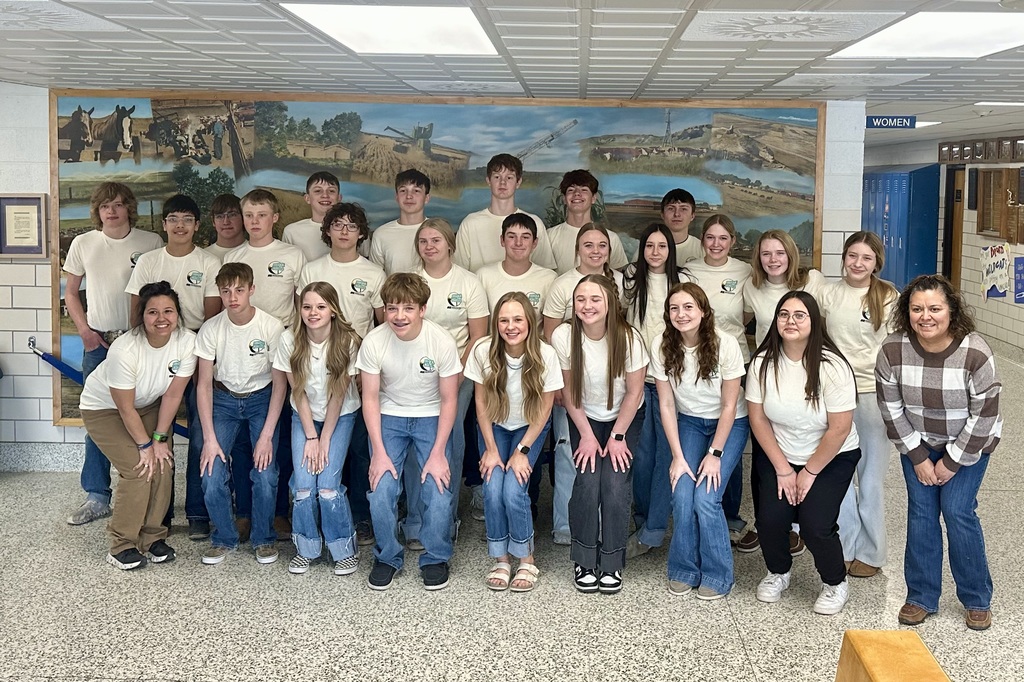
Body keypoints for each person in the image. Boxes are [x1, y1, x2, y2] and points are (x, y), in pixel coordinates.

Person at [876, 274, 1001, 631]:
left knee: (958, 510)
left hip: (970, 444)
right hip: (917, 442)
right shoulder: (892, 349)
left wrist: (951, 461)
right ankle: (920, 596)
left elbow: (985, 414)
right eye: (916, 309)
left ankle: (976, 598)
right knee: (921, 514)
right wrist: (917, 456)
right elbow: (890, 406)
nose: (925, 316)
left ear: (951, 311)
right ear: (907, 312)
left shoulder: (975, 351)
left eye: (934, 308)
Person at [747, 291, 860, 615]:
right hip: (779, 452)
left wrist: (808, 473)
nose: (790, 321)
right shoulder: (762, 363)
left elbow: (839, 428)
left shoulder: (832, 365)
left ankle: (835, 582)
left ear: (814, 322)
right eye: (784, 314)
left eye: (800, 315)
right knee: (770, 519)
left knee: (815, 523)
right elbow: (758, 418)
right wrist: (784, 469)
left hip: (832, 455)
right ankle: (778, 572)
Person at [64, 182, 164, 526]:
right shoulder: (83, 243)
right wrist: (85, 333)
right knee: (98, 420)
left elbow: (159, 295)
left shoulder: (150, 242)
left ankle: (144, 486)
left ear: (129, 208)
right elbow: (71, 294)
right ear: (98, 210)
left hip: (139, 343)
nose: (112, 211)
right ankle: (97, 495)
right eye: (106, 205)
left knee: (144, 417)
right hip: (100, 345)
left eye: (119, 205)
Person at [79, 281, 196, 570]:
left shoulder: (187, 342)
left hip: (151, 405)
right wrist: (144, 446)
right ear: (141, 316)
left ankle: (152, 537)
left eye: (168, 311)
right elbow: (124, 407)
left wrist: (158, 440)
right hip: (103, 409)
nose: (161, 319)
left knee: (163, 463)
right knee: (138, 468)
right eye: (152, 312)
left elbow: (171, 394)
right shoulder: (125, 349)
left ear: (177, 314)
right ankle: (122, 544)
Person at [356, 273, 462, 591]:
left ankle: (436, 557)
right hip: (389, 417)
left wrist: (440, 452)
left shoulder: (441, 340)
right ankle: (388, 556)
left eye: (408, 308)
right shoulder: (374, 341)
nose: (399, 316)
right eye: (392, 308)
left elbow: (449, 398)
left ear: (422, 309)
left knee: (438, 490)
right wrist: (378, 452)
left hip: (432, 416)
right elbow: (370, 397)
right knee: (381, 490)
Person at [125, 193, 221, 540]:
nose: (179, 226)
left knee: (199, 435)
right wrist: (150, 348)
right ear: (164, 225)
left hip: (194, 346)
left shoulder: (209, 262)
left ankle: (197, 513)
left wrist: (199, 354)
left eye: (186, 219)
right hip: (153, 348)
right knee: (155, 433)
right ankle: (158, 514)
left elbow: (212, 316)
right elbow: (137, 312)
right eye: (173, 219)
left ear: (197, 225)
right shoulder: (150, 261)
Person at [551, 274, 648, 594]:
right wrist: (588, 436)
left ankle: (612, 560)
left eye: (595, 299)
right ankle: (584, 558)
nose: (587, 306)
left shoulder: (629, 337)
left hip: (625, 417)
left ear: (610, 304)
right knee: (588, 481)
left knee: (615, 483)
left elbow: (634, 394)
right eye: (581, 299)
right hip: (585, 417)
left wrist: (617, 436)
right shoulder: (565, 336)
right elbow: (569, 391)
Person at [652, 282, 748, 599]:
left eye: (689, 307)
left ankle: (718, 575)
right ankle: (683, 568)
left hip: (729, 424)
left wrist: (715, 454)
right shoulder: (662, 345)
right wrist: (677, 457)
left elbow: (729, 406)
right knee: (681, 495)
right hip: (689, 423)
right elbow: (666, 405)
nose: (682, 314)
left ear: (703, 311)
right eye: (675, 308)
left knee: (706, 499)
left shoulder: (726, 344)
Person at [733, 229, 827, 553]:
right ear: (758, 258)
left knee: (801, 448)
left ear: (790, 254)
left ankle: (796, 527)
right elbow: (738, 322)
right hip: (765, 375)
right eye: (766, 254)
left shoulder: (810, 281)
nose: (773, 260)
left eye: (779, 253)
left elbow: (827, 324)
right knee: (763, 455)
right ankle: (766, 525)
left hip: (804, 374)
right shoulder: (752, 287)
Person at [298, 201, 385, 546]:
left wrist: (370, 366)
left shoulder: (374, 273)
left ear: (362, 233)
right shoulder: (312, 269)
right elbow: (302, 318)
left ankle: (362, 518)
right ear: (328, 230)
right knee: (322, 448)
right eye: (338, 225)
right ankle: (317, 516)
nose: (345, 231)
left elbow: (381, 324)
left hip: (361, 370)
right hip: (318, 369)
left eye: (352, 226)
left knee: (361, 447)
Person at [465, 291, 562, 592]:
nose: (511, 326)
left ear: (530, 322)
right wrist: (491, 449)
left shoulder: (545, 354)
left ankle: (526, 558)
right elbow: (480, 405)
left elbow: (546, 409)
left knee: (513, 488)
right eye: (504, 320)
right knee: (493, 487)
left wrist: (523, 451)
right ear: (496, 324)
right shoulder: (483, 350)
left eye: (517, 319)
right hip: (494, 427)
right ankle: (501, 558)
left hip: (529, 429)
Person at [223, 188, 306, 536]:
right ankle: (244, 510)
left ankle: (277, 512)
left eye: (261, 215)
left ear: (275, 218)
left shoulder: (293, 254)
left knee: (281, 439)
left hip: (282, 352)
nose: (254, 222)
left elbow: (303, 306)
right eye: (249, 215)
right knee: (243, 443)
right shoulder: (233, 256)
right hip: (242, 359)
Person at [196, 263, 287, 566]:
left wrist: (267, 435)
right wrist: (209, 438)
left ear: (251, 290)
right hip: (222, 399)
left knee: (265, 471)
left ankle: (263, 538)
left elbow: (279, 384)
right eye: (225, 291)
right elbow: (204, 385)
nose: (232, 297)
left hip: (262, 398)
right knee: (211, 471)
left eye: (239, 289)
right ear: (219, 293)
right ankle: (224, 537)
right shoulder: (211, 329)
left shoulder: (271, 327)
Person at [542, 224, 624, 545]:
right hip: (571, 382)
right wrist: (560, 385)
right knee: (568, 454)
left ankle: (601, 527)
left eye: (601, 245)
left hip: (609, 387)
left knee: (605, 461)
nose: (595, 251)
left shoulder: (619, 282)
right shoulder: (563, 284)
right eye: (588, 245)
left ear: (609, 249)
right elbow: (550, 334)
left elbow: (620, 329)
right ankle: (565, 525)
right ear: (577, 248)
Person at [275, 282, 362, 576]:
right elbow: (297, 391)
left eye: (321, 307)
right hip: (304, 417)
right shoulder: (289, 340)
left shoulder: (347, 341)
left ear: (333, 311)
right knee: (302, 486)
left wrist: (324, 440)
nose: (313, 313)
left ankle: (342, 548)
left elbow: (339, 394)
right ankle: (307, 547)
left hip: (340, 416)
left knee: (326, 486)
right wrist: (311, 435)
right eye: (307, 307)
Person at [824, 232, 898, 579]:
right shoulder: (828, 292)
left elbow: (896, 348)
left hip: (872, 395)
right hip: (835, 394)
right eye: (852, 255)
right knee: (837, 476)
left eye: (866, 258)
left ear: (876, 263)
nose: (857, 263)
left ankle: (872, 551)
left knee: (869, 478)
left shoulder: (887, 296)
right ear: (844, 257)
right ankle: (844, 546)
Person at [412, 218, 488, 541]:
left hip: (457, 374)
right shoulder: (410, 280)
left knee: (449, 442)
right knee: (417, 442)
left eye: (436, 240)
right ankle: (417, 518)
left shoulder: (468, 282)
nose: (430, 247)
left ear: (450, 244)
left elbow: (478, 336)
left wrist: (454, 377)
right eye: (424, 241)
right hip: (413, 375)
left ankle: (446, 516)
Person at [686, 213, 753, 550]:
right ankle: (702, 509)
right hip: (696, 362)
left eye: (722, 238)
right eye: (710, 237)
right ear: (702, 240)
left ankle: (730, 517)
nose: (716, 244)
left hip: (735, 359)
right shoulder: (689, 270)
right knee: (702, 430)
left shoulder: (745, 272)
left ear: (733, 241)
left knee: (729, 441)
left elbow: (744, 315)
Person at [623, 223, 689, 559]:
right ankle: (642, 519)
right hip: (637, 382)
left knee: (667, 456)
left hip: (672, 383)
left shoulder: (683, 281)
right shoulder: (630, 280)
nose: (655, 252)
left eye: (662, 246)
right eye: (649, 245)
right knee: (642, 457)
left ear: (670, 249)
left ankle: (654, 530)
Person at [200, 192, 254, 541]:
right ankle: (210, 521)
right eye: (220, 216)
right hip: (219, 379)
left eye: (234, 215)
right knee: (208, 457)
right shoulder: (207, 259)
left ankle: (254, 521)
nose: (227, 221)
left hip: (259, 383)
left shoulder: (248, 257)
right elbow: (212, 318)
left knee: (257, 458)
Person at [454, 153, 557, 272]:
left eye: (509, 177)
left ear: (518, 182)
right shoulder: (470, 223)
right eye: (497, 177)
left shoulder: (535, 223)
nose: (502, 183)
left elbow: (545, 273)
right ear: (488, 181)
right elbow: (459, 273)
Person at [476, 212, 557, 323]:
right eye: (511, 236)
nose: (518, 243)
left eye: (525, 237)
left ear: (534, 243)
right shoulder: (483, 276)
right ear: (502, 240)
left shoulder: (549, 279)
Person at [547, 169, 628, 275]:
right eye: (571, 190)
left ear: (593, 198)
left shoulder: (610, 238)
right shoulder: (549, 236)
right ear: (564, 199)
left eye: (584, 190)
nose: (577, 194)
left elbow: (617, 277)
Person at [369, 168, 431, 275]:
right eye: (403, 191)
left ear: (426, 198)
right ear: (396, 197)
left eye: (416, 191)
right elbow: (375, 278)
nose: (409, 196)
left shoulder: (439, 232)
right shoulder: (381, 234)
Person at [282, 171, 343, 262]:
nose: (325, 195)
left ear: (339, 198)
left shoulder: (354, 229)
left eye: (331, 191)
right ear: (307, 198)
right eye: (318, 191)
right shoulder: (291, 232)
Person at [660, 189, 703, 266]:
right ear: (662, 215)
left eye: (683, 209)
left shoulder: (702, 249)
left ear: (692, 215)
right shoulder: (649, 246)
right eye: (671, 208)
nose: (677, 214)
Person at [205, 194, 246, 261]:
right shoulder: (202, 257)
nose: (226, 222)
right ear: (213, 221)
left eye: (232, 215)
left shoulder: (257, 253)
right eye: (219, 216)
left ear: (243, 218)